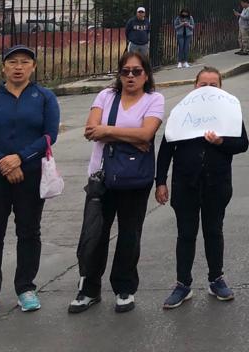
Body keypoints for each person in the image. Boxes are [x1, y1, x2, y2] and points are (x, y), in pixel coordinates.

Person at [69, 51, 165, 314]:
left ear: (146, 74)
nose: (131, 76)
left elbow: (147, 133)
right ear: (119, 74)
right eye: (125, 71)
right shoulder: (105, 96)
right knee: (95, 233)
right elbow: (91, 131)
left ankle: (124, 288)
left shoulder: (153, 99)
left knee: (129, 233)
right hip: (101, 176)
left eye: (137, 71)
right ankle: (88, 289)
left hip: (135, 179)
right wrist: (132, 137)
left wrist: (108, 131)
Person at [0, 45, 60, 315]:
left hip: (30, 177)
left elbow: (49, 135)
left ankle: (25, 288)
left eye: (25, 62)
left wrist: (19, 158)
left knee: (29, 232)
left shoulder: (44, 97)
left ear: (33, 67)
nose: (18, 67)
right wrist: (4, 162)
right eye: (12, 62)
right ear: (3, 67)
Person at [155, 66, 249, 308]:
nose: (207, 89)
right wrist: (161, 182)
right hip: (185, 183)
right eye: (202, 84)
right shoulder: (181, 112)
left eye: (213, 85)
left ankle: (216, 279)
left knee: (214, 231)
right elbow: (166, 149)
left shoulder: (230, 112)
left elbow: (242, 144)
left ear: (221, 88)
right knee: (186, 233)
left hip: (216, 183)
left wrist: (220, 142)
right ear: (194, 87)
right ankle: (183, 284)